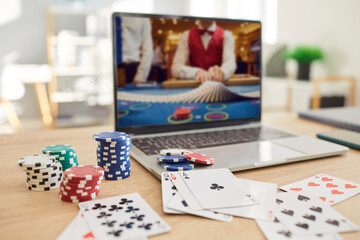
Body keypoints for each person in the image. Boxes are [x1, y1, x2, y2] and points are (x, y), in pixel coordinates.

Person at [171, 20, 236, 83]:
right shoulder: (186, 35)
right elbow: (175, 68)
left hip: (219, 86)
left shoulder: (226, 35)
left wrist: (222, 72)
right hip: (195, 85)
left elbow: (230, 63)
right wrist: (196, 72)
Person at [117, 17, 153, 84]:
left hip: (132, 70)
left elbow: (148, 50)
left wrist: (140, 77)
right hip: (107, 67)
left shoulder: (142, 17)